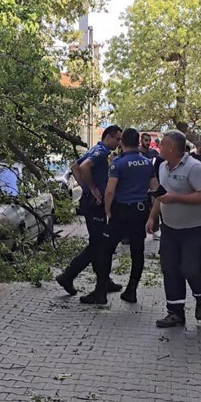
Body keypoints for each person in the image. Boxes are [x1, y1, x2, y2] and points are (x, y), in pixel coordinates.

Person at [81, 128, 159, 305]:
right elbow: (155, 189)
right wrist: (154, 215)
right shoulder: (147, 163)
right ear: (138, 142)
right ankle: (131, 290)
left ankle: (100, 292)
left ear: (122, 142)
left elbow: (109, 191)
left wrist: (108, 210)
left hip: (121, 212)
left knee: (105, 250)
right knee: (137, 252)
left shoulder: (119, 163)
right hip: (141, 211)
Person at [146, 130, 201, 327]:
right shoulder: (163, 167)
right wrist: (152, 217)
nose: (159, 147)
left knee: (190, 269)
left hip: (192, 230)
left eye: (163, 144)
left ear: (172, 148)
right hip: (170, 229)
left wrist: (176, 198)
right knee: (170, 269)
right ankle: (175, 312)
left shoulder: (194, 168)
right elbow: (162, 195)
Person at [55, 125, 124, 296]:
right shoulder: (100, 152)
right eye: (117, 138)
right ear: (108, 137)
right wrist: (91, 188)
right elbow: (84, 166)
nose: (119, 142)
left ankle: (103, 280)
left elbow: (74, 167)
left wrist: (86, 188)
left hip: (91, 203)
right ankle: (68, 275)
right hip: (94, 205)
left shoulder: (98, 150)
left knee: (98, 242)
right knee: (97, 245)